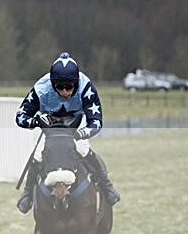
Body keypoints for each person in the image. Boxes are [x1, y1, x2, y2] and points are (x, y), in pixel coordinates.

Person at [15, 52, 121, 213]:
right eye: (60, 87)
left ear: (76, 83)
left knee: (82, 149)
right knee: (38, 154)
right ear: (52, 84)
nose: (65, 91)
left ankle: (107, 186)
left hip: (76, 121)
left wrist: (80, 135)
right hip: (50, 123)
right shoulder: (40, 89)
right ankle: (28, 193)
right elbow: (21, 116)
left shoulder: (86, 87)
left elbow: (97, 122)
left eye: (69, 86)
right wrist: (36, 122)